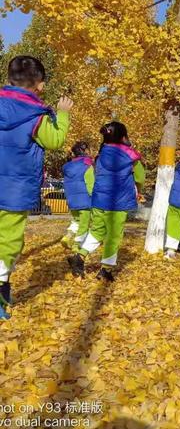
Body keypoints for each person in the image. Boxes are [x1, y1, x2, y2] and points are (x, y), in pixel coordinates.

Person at [0, 56, 73, 320]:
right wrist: (62, 115)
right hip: (14, 189)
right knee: (8, 239)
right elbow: (54, 141)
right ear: (39, 86)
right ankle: (1, 283)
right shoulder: (36, 115)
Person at [68, 122, 144, 282]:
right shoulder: (131, 157)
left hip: (99, 200)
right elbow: (140, 177)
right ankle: (105, 270)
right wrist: (138, 189)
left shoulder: (101, 155)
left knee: (97, 230)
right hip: (119, 202)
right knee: (113, 236)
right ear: (124, 137)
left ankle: (80, 256)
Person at [61, 141, 95, 252]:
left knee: (76, 221)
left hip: (72, 200)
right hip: (85, 201)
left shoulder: (67, 167)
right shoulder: (87, 166)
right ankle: (77, 245)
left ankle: (68, 236)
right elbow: (90, 185)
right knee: (84, 224)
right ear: (85, 152)